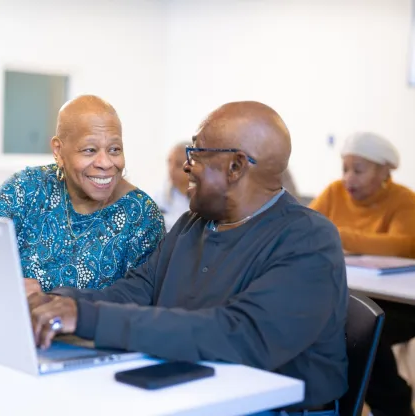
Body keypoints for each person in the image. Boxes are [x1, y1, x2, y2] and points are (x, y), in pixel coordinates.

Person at [28, 101, 348, 414]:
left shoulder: (308, 239)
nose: (185, 165)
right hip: (191, 388)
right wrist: (52, 302)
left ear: (235, 166)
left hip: (269, 406)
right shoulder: (192, 224)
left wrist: (86, 317)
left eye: (196, 153)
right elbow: (134, 292)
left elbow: (236, 335)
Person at [0, 95, 165, 293]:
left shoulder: (141, 215)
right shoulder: (26, 188)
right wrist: (7, 286)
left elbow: (140, 301)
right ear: (58, 150)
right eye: (89, 150)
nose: (105, 163)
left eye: (114, 149)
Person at [311, 132, 415, 416]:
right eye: (345, 169)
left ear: (384, 171)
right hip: (349, 293)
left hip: (401, 304)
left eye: (358, 170)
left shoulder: (404, 200)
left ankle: (393, 405)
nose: (348, 178)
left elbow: (401, 245)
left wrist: (335, 234)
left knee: (364, 329)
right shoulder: (334, 192)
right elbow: (307, 229)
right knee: (331, 321)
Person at [152, 142, 191, 231]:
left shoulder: (205, 203)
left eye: (178, 164)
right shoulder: (159, 198)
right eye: (169, 162)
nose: (171, 169)